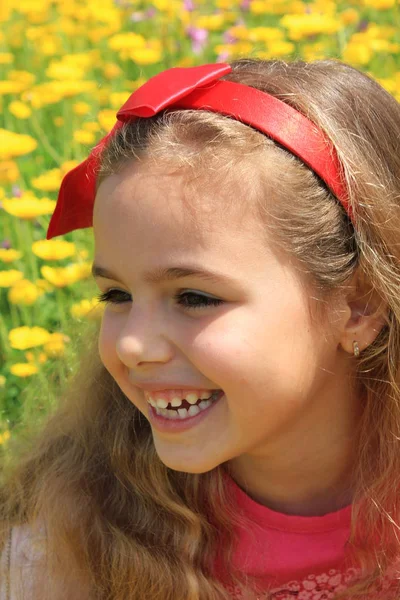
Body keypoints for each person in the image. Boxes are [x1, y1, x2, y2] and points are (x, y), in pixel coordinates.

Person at [1, 57, 400, 600]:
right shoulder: (63, 546)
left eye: (194, 297)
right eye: (116, 295)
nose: (133, 345)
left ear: (358, 306)